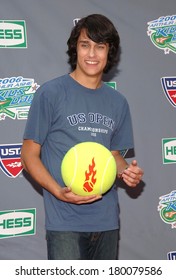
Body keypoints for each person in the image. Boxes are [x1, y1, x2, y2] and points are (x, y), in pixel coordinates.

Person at [21, 14, 144, 260]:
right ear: (75, 47)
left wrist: (125, 172)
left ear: (110, 52)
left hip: (107, 221)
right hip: (64, 221)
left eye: (100, 47)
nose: (92, 54)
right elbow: (28, 155)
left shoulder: (118, 103)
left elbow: (114, 156)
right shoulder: (51, 93)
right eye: (85, 44)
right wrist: (57, 191)